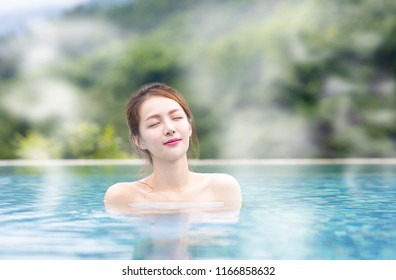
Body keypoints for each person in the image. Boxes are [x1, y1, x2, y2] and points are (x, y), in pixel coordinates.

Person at [104, 83, 242, 210]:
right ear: (139, 141)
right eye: (154, 124)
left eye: (176, 118)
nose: (169, 128)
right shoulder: (122, 197)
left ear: (189, 127)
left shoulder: (223, 188)